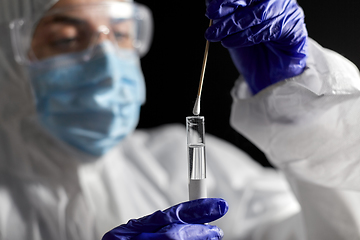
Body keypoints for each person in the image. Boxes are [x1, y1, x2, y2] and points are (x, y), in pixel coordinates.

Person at [1, 0, 360, 240]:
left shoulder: (172, 160)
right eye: (65, 39)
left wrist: (303, 107)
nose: (108, 65)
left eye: (122, 34)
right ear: (9, 56)